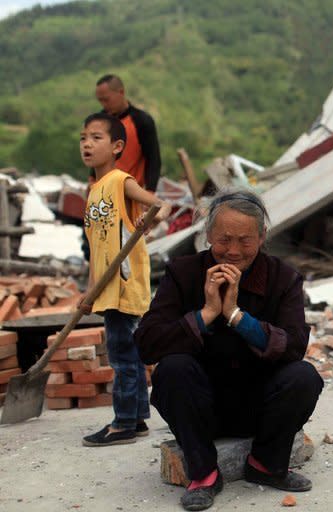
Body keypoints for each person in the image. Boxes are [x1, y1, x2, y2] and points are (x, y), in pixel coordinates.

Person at [134, 188, 323, 511]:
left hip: (259, 409)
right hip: (200, 409)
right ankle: (204, 474)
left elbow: (293, 346)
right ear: (207, 235)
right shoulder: (183, 272)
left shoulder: (283, 278)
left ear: (262, 237)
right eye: (223, 239)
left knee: (303, 376)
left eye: (245, 240)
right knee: (172, 369)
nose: (233, 251)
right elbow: (147, 344)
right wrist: (206, 313)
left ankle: (266, 465)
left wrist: (236, 316)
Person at [79, 112, 171, 447]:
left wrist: (150, 221)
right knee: (128, 353)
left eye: (96, 137)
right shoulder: (93, 192)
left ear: (117, 146)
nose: (87, 144)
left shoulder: (120, 181)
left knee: (121, 356)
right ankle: (137, 419)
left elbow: (160, 205)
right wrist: (90, 291)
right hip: (106, 286)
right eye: (83, 138)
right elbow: (96, 248)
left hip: (125, 282)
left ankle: (122, 424)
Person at [95, 74, 161, 191]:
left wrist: (150, 191)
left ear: (121, 92)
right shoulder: (100, 121)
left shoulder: (141, 121)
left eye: (106, 99)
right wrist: (92, 179)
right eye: (100, 100)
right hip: (105, 191)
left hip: (132, 191)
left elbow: (153, 159)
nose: (103, 104)